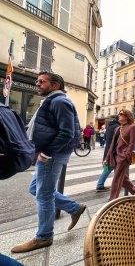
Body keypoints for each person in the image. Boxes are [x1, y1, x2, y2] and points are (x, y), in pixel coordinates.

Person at [11, 72, 86, 253]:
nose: (37, 84)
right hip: (47, 153)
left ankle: (44, 236)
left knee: (44, 195)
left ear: (55, 85)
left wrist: (47, 152)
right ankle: (74, 208)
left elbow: (67, 133)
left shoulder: (60, 101)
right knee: (35, 189)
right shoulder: (52, 100)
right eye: (37, 81)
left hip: (51, 155)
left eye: (41, 81)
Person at [103, 109, 135, 201]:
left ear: (127, 116)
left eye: (121, 114)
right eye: (119, 114)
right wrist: (106, 158)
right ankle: (133, 189)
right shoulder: (117, 128)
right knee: (122, 178)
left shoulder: (132, 127)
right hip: (115, 156)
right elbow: (112, 144)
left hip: (123, 157)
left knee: (116, 179)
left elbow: (132, 144)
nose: (119, 116)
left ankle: (112, 200)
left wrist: (126, 155)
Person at [95, 117, 120, 191]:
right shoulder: (118, 127)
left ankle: (118, 183)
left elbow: (105, 138)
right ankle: (100, 185)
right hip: (114, 150)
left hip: (108, 149)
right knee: (110, 168)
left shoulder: (109, 127)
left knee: (109, 168)